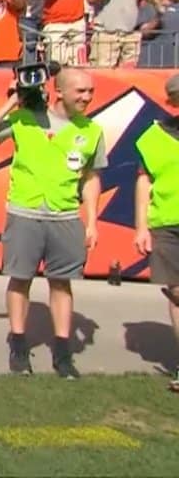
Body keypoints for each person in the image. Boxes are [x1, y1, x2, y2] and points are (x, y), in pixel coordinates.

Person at [0, 67, 104, 379]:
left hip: (66, 216)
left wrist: (92, 221)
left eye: (90, 91)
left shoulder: (92, 130)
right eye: (80, 91)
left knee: (61, 283)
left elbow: (92, 177)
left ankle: (62, 350)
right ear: (60, 91)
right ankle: (18, 344)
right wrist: (13, 101)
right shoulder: (24, 119)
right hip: (24, 214)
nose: (87, 97)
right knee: (20, 279)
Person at [133, 73, 179, 392]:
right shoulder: (153, 136)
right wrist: (141, 227)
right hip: (166, 223)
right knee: (176, 292)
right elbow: (144, 180)